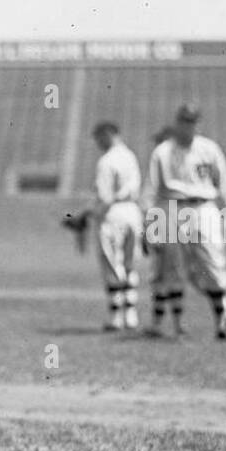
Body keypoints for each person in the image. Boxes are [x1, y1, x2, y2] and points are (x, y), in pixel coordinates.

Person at [140, 104, 226, 340]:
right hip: (173, 208)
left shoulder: (209, 148)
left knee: (212, 263)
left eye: (193, 121)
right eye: (184, 120)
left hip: (203, 207)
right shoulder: (163, 152)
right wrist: (149, 223)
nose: (188, 125)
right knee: (175, 267)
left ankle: (222, 322)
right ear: (177, 122)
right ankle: (214, 314)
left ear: (199, 124)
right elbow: (150, 189)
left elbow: (225, 184)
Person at [90, 121, 143, 331]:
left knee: (112, 263)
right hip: (132, 210)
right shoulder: (131, 156)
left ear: (108, 134)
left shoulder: (106, 161)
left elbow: (104, 197)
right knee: (129, 264)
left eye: (99, 137)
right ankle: (130, 314)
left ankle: (116, 315)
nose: (97, 142)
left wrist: (91, 214)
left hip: (113, 213)